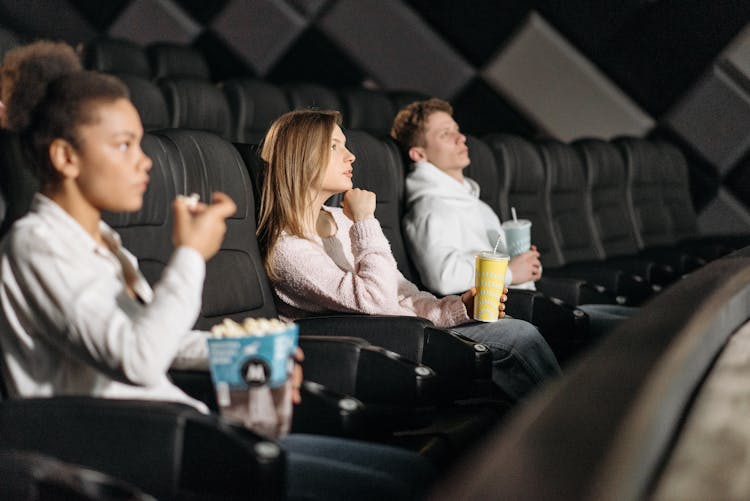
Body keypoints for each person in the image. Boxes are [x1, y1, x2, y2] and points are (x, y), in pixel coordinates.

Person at [0, 69, 434, 500]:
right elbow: (138, 358)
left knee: (414, 470)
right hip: (134, 449)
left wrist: (253, 356)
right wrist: (191, 255)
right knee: (391, 488)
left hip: (187, 426)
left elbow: (160, 342)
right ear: (65, 158)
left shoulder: (103, 242)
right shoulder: (36, 247)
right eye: (123, 145)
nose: (144, 160)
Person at [257, 109, 560, 402]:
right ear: (301, 158)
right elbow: (376, 301)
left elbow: (401, 293)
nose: (351, 156)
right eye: (335, 147)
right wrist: (365, 221)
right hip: (380, 350)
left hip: (413, 330)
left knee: (519, 329)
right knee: (519, 337)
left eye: (346, 146)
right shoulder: (289, 248)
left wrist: (457, 308)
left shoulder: (342, 218)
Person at [390, 98, 635, 337]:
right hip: (502, 315)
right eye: (445, 134)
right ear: (419, 155)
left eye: (457, 130)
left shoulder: (472, 200)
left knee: (639, 319)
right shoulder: (430, 205)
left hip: (524, 301)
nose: (460, 137)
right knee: (635, 333)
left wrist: (523, 265)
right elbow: (442, 277)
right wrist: (511, 271)